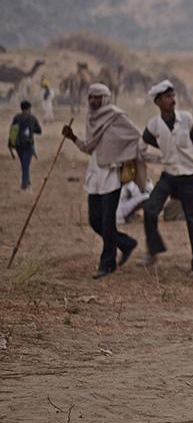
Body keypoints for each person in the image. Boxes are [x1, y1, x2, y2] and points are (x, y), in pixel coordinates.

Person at [61, 83, 141, 278]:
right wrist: (73, 138)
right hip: (95, 175)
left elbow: (134, 136)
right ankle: (126, 243)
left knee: (107, 221)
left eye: (98, 97)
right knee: (95, 221)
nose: (94, 101)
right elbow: (89, 148)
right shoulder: (91, 118)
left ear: (105, 98)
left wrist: (121, 155)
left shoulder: (116, 116)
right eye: (91, 97)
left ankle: (107, 264)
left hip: (112, 175)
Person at [138, 80, 193, 275]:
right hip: (169, 176)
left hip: (190, 177)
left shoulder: (186, 119)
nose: (172, 100)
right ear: (158, 102)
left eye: (173, 96)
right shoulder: (153, 125)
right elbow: (141, 149)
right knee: (150, 210)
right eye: (168, 97)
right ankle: (153, 251)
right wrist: (159, 159)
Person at [9, 100, 42, 192]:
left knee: (24, 165)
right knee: (25, 165)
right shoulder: (32, 118)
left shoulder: (17, 117)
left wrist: (11, 145)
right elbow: (39, 131)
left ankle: (28, 183)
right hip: (28, 145)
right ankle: (24, 186)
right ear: (29, 109)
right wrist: (31, 129)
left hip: (18, 146)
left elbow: (12, 131)